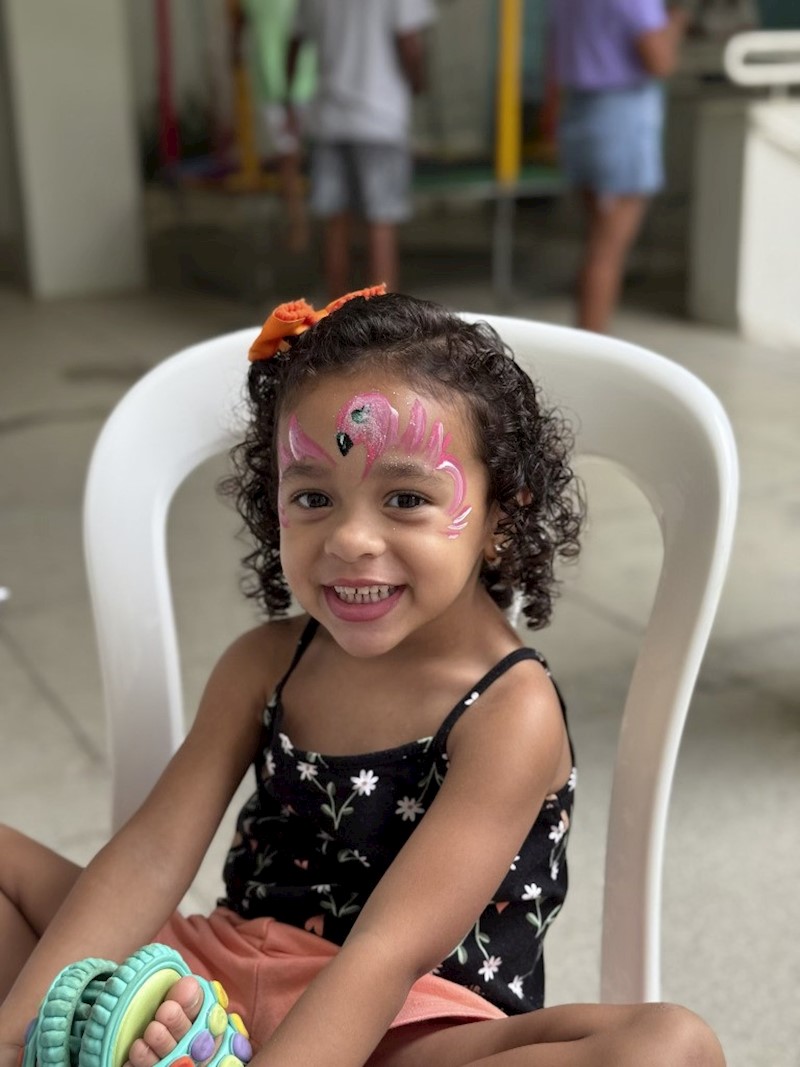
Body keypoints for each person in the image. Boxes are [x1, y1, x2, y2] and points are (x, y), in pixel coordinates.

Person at [0, 289, 726, 1067]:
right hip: (212, 981)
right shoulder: (265, 663)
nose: (349, 538)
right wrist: (17, 1037)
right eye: (313, 497)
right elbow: (149, 857)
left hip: (404, 1027)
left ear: (500, 518)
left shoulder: (510, 709)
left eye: (406, 498)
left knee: (670, 1047)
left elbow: (388, 952)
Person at [549, 0, 689, 333]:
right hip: (619, 119)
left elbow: (552, 56)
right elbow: (661, 62)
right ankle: (593, 346)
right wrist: (677, 19)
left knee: (596, 242)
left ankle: (587, 338)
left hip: (578, 113)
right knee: (607, 251)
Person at [286, 1, 434, 297]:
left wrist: (288, 97)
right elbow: (410, 44)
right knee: (381, 223)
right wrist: (418, 83)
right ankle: (384, 319)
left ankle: (335, 315)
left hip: (328, 119)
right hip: (380, 118)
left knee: (335, 224)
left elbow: (294, 44)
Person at [230, 0, 316, 252]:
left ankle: (302, 228)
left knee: (294, 158)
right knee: (288, 158)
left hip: (302, 83)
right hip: (279, 86)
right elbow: (238, 27)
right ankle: (299, 226)